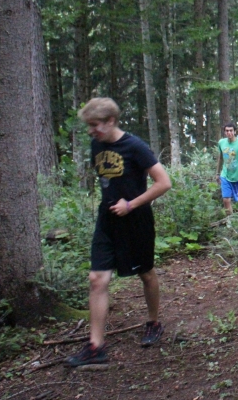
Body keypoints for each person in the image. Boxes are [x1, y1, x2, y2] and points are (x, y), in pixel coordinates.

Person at [65, 98, 172, 367]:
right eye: (89, 125)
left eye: (95, 125)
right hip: (107, 220)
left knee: (145, 273)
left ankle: (153, 322)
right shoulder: (96, 145)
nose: (91, 130)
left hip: (135, 220)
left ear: (110, 121)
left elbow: (164, 182)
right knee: (97, 279)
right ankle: (95, 347)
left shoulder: (135, 146)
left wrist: (131, 204)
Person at [216, 123, 238, 213]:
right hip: (225, 175)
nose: (229, 132)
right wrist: (217, 173)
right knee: (226, 200)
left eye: (231, 130)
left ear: (235, 131)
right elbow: (220, 158)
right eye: (227, 131)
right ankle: (230, 219)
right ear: (224, 132)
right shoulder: (221, 143)